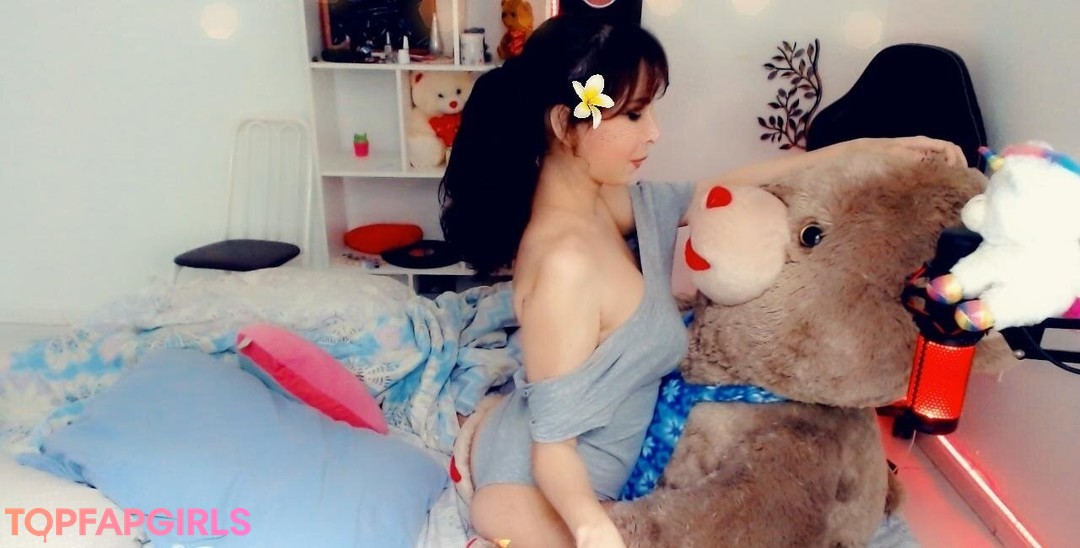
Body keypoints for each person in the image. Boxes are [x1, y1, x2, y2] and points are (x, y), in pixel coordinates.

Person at [439, 15, 965, 548]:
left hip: (589, 458)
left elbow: (711, 191)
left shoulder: (599, 203)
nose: (654, 131)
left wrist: (864, 151)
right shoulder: (565, 262)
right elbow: (553, 449)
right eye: (635, 114)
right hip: (552, 484)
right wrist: (595, 528)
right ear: (563, 123)